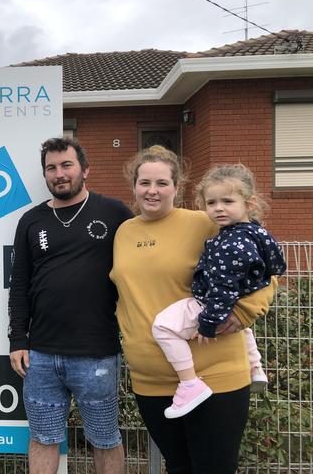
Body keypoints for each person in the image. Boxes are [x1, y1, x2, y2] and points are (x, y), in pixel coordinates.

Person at [110, 145, 276, 474]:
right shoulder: (123, 233)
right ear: (133, 186)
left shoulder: (206, 222)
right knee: (180, 468)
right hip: (150, 381)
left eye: (161, 183)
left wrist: (242, 314)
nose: (152, 191)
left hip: (214, 376)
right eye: (144, 183)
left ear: (177, 186)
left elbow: (262, 273)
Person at [8, 137, 132, 474]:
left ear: (85, 169)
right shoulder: (31, 221)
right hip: (41, 355)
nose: (59, 174)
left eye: (67, 165)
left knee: (105, 438)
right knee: (43, 437)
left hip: (97, 353)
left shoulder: (115, 212)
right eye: (51, 168)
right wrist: (18, 339)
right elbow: (20, 284)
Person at [152, 163, 286, 419]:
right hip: (236, 299)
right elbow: (276, 266)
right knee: (243, 326)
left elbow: (223, 287)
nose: (218, 208)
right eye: (212, 203)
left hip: (211, 303)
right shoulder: (257, 232)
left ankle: (189, 383)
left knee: (163, 327)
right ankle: (255, 367)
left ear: (249, 202)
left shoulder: (231, 243)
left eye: (227, 201)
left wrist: (208, 323)